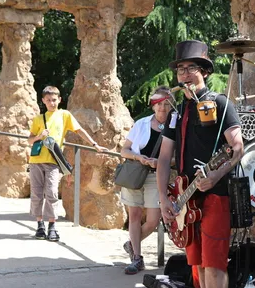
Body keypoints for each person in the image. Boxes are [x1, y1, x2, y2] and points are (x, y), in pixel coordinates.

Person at [157, 40, 244, 288]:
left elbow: (237, 149)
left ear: (204, 71)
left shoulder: (221, 104)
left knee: (215, 265)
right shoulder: (176, 113)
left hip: (216, 198)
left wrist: (216, 175)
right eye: (181, 68)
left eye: (191, 67)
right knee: (197, 266)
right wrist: (165, 197)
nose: (184, 73)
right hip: (185, 200)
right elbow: (165, 157)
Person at [27, 86, 106, 241]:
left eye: (54, 100)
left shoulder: (64, 115)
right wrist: (39, 136)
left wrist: (94, 144)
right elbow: (29, 140)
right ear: (43, 100)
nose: (51, 103)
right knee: (37, 194)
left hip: (53, 161)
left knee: (52, 193)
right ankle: (39, 225)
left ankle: (52, 227)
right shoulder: (38, 119)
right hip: (36, 161)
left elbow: (79, 130)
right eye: (48, 100)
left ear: (59, 100)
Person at [120, 86, 172, 275]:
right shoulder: (141, 124)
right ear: (153, 106)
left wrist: (162, 162)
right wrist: (139, 158)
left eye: (166, 104)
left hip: (156, 177)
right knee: (134, 216)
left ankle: (131, 245)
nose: (162, 108)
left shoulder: (174, 128)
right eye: (159, 104)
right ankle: (137, 258)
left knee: (153, 220)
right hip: (136, 174)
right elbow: (124, 150)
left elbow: (178, 157)